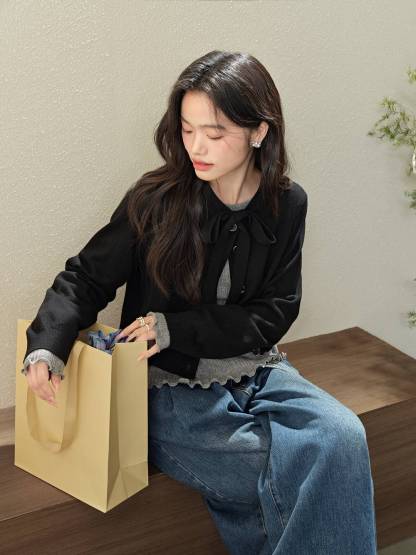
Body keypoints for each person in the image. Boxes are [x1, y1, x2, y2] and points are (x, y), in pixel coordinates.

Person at [22, 50, 377, 554]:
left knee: (343, 436)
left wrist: (174, 327)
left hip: (256, 369)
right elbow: (86, 277)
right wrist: (46, 346)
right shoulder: (156, 199)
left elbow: (276, 311)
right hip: (169, 387)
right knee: (292, 463)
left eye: (214, 133)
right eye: (187, 130)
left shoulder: (287, 203)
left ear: (259, 131)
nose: (195, 147)